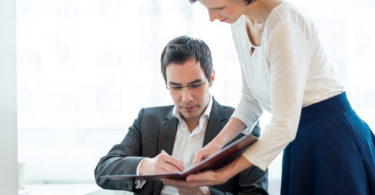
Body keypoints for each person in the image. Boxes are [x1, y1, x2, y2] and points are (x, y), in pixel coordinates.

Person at [163, 0, 375, 195]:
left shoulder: (285, 23)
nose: (211, 17)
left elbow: (283, 125)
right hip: (298, 138)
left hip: (332, 140)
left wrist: (223, 174)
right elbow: (251, 98)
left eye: (218, 7)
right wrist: (216, 145)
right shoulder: (239, 22)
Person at [94, 35, 268, 195]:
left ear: (211, 78)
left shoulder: (241, 124)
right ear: (166, 84)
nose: (186, 98)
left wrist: (206, 194)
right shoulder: (148, 121)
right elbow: (103, 171)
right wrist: (147, 165)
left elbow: (256, 193)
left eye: (195, 85)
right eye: (176, 87)